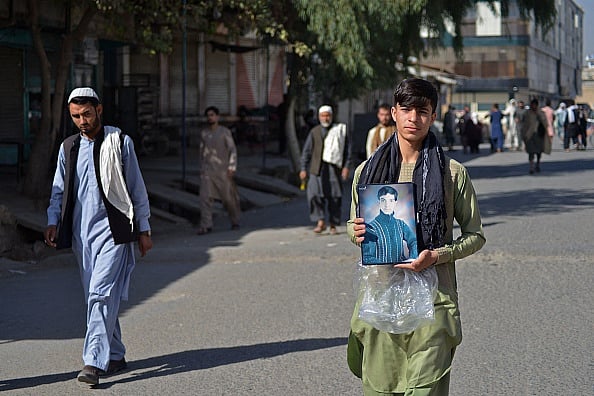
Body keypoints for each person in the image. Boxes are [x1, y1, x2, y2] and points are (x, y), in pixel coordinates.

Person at [346, 78, 486, 395]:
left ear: (433, 115)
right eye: (406, 109)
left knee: (427, 388)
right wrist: (355, 232)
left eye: (422, 111)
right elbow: (352, 228)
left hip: (433, 302)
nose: (413, 118)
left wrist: (437, 256)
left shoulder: (452, 173)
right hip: (381, 298)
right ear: (393, 112)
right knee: (381, 387)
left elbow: (475, 235)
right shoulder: (366, 172)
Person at [44, 87, 153, 386]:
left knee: (100, 294)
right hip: (82, 235)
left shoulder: (119, 142)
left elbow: (136, 188)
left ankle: (93, 361)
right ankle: (115, 354)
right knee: (97, 297)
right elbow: (58, 189)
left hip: (115, 232)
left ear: (99, 110)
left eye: (87, 114)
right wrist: (53, 220)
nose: (82, 121)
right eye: (76, 116)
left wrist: (144, 228)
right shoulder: (68, 148)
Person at [299, 105, 352, 235]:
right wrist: (303, 168)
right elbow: (306, 152)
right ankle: (320, 221)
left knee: (334, 197)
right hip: (316, 169)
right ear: (319, 117)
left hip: (333, 169)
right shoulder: (314, 132)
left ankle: (333, 224)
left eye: (327, 115)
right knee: (314, 196)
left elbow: (348, 151)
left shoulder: (339, 130)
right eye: (323, 115)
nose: (325, 118)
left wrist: (346, 167)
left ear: (331, 116)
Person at [197, 106, 241, 234]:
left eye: (212, 115)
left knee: (228, 199)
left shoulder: (224, 132)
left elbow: (232, 150)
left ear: (217, 117)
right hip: (208, 171)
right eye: (208, 115)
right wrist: (202, 168)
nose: (210, 117)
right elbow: (201, 152)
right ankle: (206, 225)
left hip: (223, 171)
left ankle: (235, 220)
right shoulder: (204, 134)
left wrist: (232, 166)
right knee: (205, 198)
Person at [361, 185, 418, 264]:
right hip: (381, 272)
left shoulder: (401, 224)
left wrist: (412, 259)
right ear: (379, 202)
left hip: (404, 270)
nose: (387, 205)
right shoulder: (371, 228)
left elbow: (413, 242)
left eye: (391, 200)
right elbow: (368, 256)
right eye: (383, 200)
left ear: (395, 202)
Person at [522, 98, 550, 174]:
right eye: (532, 104)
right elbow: (524, 124)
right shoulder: (527, 113)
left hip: (539, 135)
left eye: (535, 105)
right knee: (531, 152)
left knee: (538, 152)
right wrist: (524, 135)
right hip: (530, 135)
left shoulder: (541, 113)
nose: (533, 106)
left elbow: (545, 123)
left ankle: (537, 163)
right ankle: (531, 166)